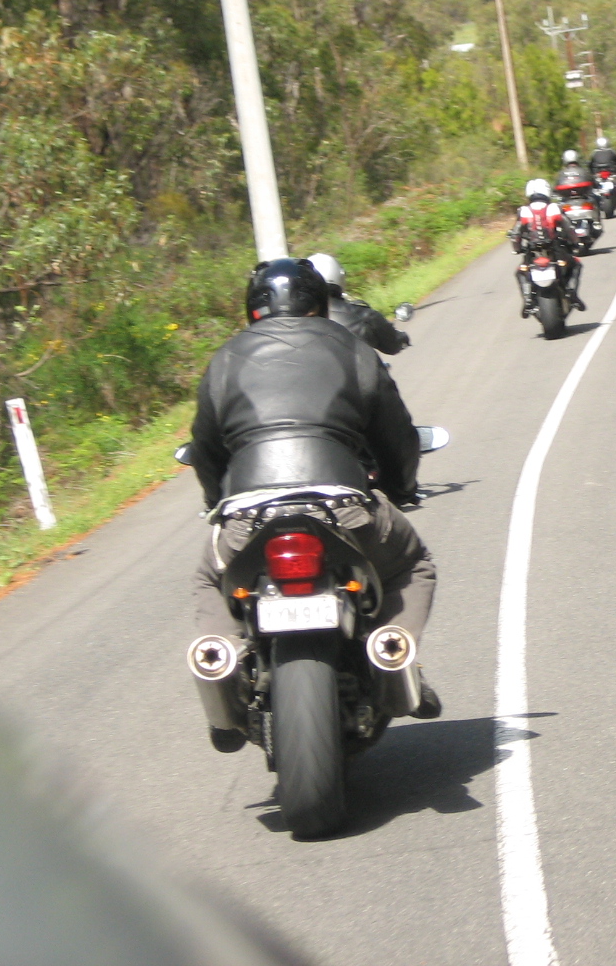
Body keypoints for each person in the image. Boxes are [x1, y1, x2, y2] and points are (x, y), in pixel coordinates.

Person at [188, 257, 439, 718]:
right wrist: (402, 488)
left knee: (211, 576)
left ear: (252, 308)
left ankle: (221, 666)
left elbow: (205, 449)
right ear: (320, 302)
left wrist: (216, 504)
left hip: (248, 517)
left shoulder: (224, 360)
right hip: (342, 508)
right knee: (413, 564)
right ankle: (393, 652)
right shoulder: (353, 350)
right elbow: (397, 437)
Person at [307, 252, 409, 355]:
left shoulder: (299, 323)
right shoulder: (361, 315)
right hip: (361, 365)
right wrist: (401, 337)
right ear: (339, 275)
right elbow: (392, 345)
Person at [510, 178, 584, 315]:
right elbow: (568, 227)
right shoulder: (554, 208)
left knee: (520, 272)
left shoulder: (524, 211)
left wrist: (517, 248)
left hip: (532, 251)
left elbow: (515, 234)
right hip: (555, 248)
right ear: (547, 191)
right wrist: (576, 242)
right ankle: (572, 292)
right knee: (576, 264)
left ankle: (527, 299)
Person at [588, 135, 616, 205]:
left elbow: (590, 164)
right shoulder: (612, 151)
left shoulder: (594, 153)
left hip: (600, 174)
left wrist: (593, 172)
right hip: (611, 173)